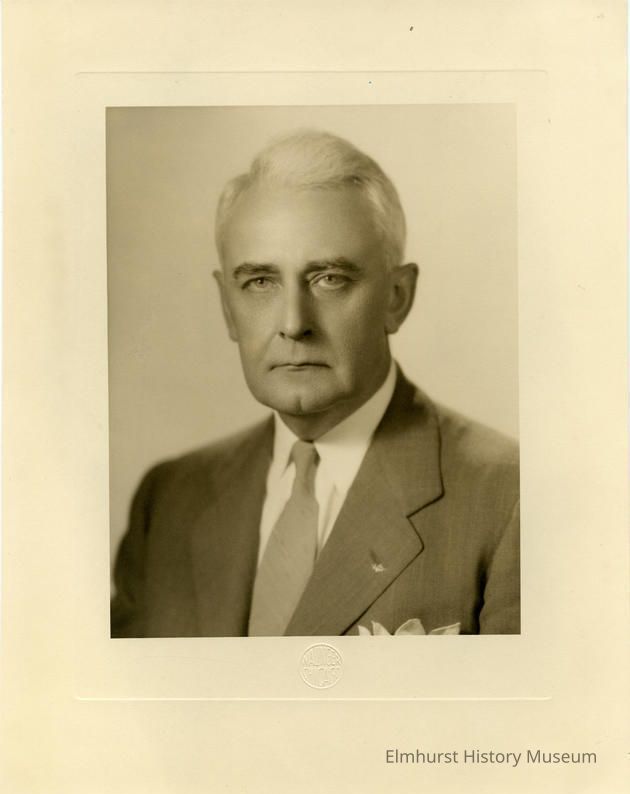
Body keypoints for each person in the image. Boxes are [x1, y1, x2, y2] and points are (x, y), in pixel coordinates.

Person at [110, 129, 520, 638]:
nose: (293, 323)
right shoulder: (168, 501)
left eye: (330, 279)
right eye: (260, 282)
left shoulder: (508, 500)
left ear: (397, 297)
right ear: (227, 308)